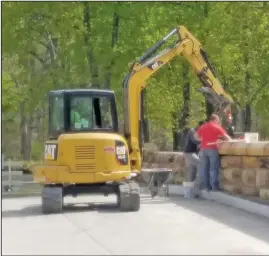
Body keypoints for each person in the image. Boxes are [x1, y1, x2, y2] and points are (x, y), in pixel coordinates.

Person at [194, 114, 232, 191]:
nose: (218, 123)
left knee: (205, 169)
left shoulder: (203, 126)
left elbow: (195, 136)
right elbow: (226, 136)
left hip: (203, 149)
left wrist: (203, 140)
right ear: (215, 120)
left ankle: (207, 187)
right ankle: (214, 187)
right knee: (213, 169)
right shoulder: (216, 127)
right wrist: (231, 141)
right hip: (212, 149)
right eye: (217, 121)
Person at [183, 121, 205, 187]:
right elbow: (194, 141)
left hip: (193, 153)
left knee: (193, 169)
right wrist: (204, 141)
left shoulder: (198, 133)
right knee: (200, 164)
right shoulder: (192, 131)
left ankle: (190, 185)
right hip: (189, 153)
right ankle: (199, 184)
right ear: (199, 125)